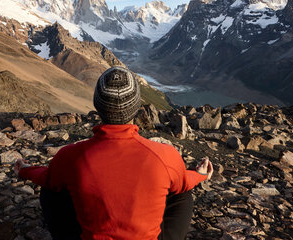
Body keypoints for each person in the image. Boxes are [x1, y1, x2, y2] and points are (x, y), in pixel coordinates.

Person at [14, 66, 214, 240]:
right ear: (136, 106)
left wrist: (25, 170)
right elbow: (183, 181)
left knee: (51, 190)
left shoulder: (71, 156)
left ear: (97, 105)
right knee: (181, 194)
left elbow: (48, 178)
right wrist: (201, 174)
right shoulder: (164, 155)